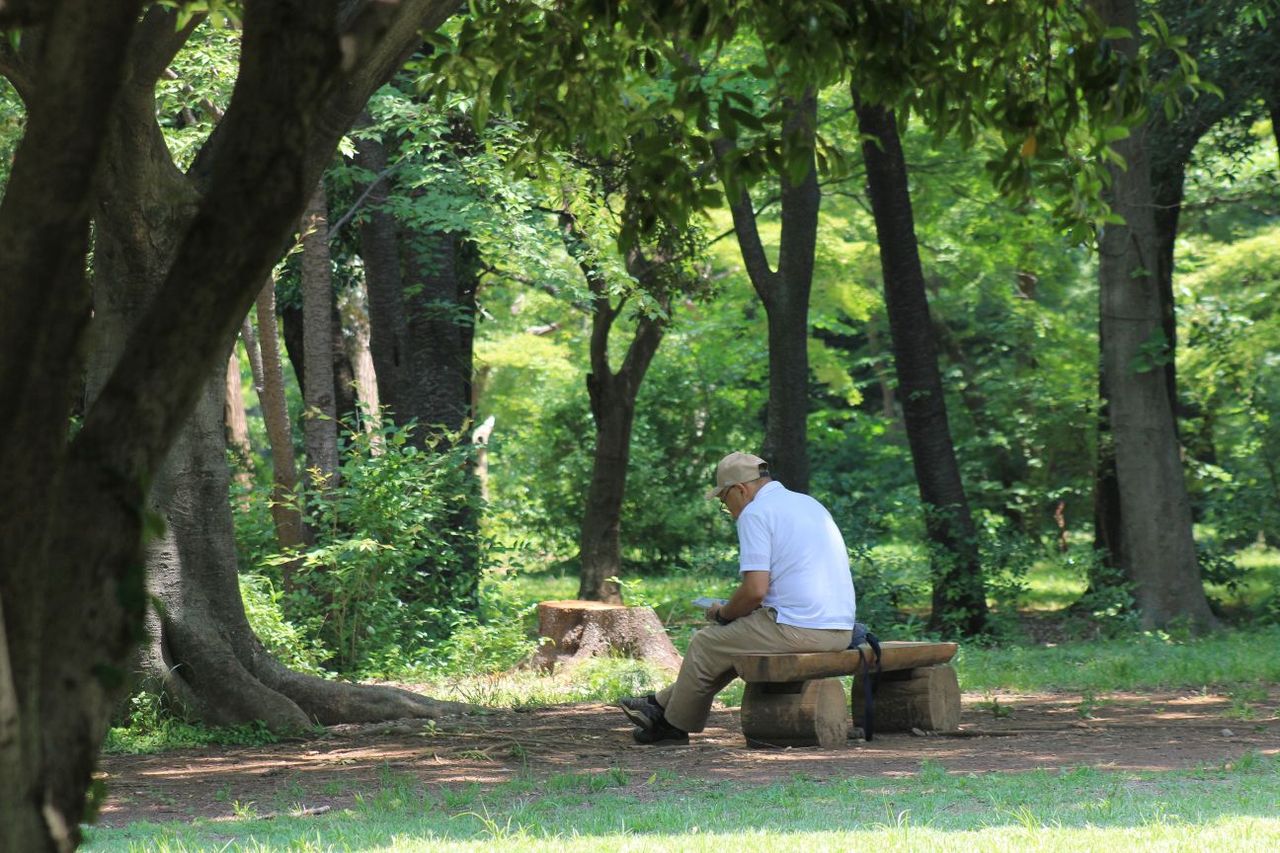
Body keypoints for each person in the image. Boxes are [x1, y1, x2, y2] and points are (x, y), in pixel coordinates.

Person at [620, 451, 857, 745]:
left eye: (724, 500)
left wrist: (723, 613)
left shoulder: (756, 513)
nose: (729, 510)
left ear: (740, 490)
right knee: (731, 644)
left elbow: (755, 590)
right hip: (840, 630)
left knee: (706, 643)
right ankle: (657, 704)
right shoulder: (809, 504)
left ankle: (671, 725)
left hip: (800, 628)